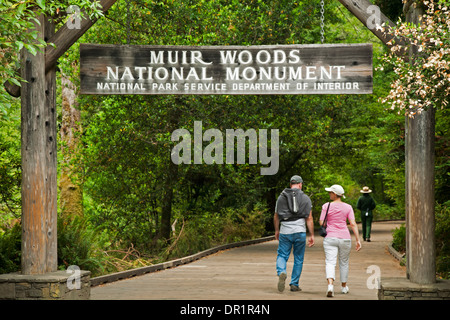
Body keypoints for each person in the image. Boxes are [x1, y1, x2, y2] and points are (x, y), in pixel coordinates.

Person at [274, 175, 314, 293]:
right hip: (300, 231)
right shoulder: (306, 198)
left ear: (291, 183)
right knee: (298, 258)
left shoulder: (281, 197)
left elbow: (276, 216)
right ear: (300, 184)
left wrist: (277, 230)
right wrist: (311, 234)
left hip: (285, 231)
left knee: (282, 255)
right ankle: (294, 284)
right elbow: (309, 218)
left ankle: (282, 271)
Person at [320, 184, 361, 297]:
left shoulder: (326, 206)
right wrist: (358, 240)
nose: (329, 194)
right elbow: (352, 224)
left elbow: (321, 222)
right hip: (345, 238)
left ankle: (330, 286)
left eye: (330, 192)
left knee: (330, 262)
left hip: (330, 237)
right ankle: (343, 287)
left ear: (334, 194)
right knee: (344, 263)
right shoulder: (348, 207)